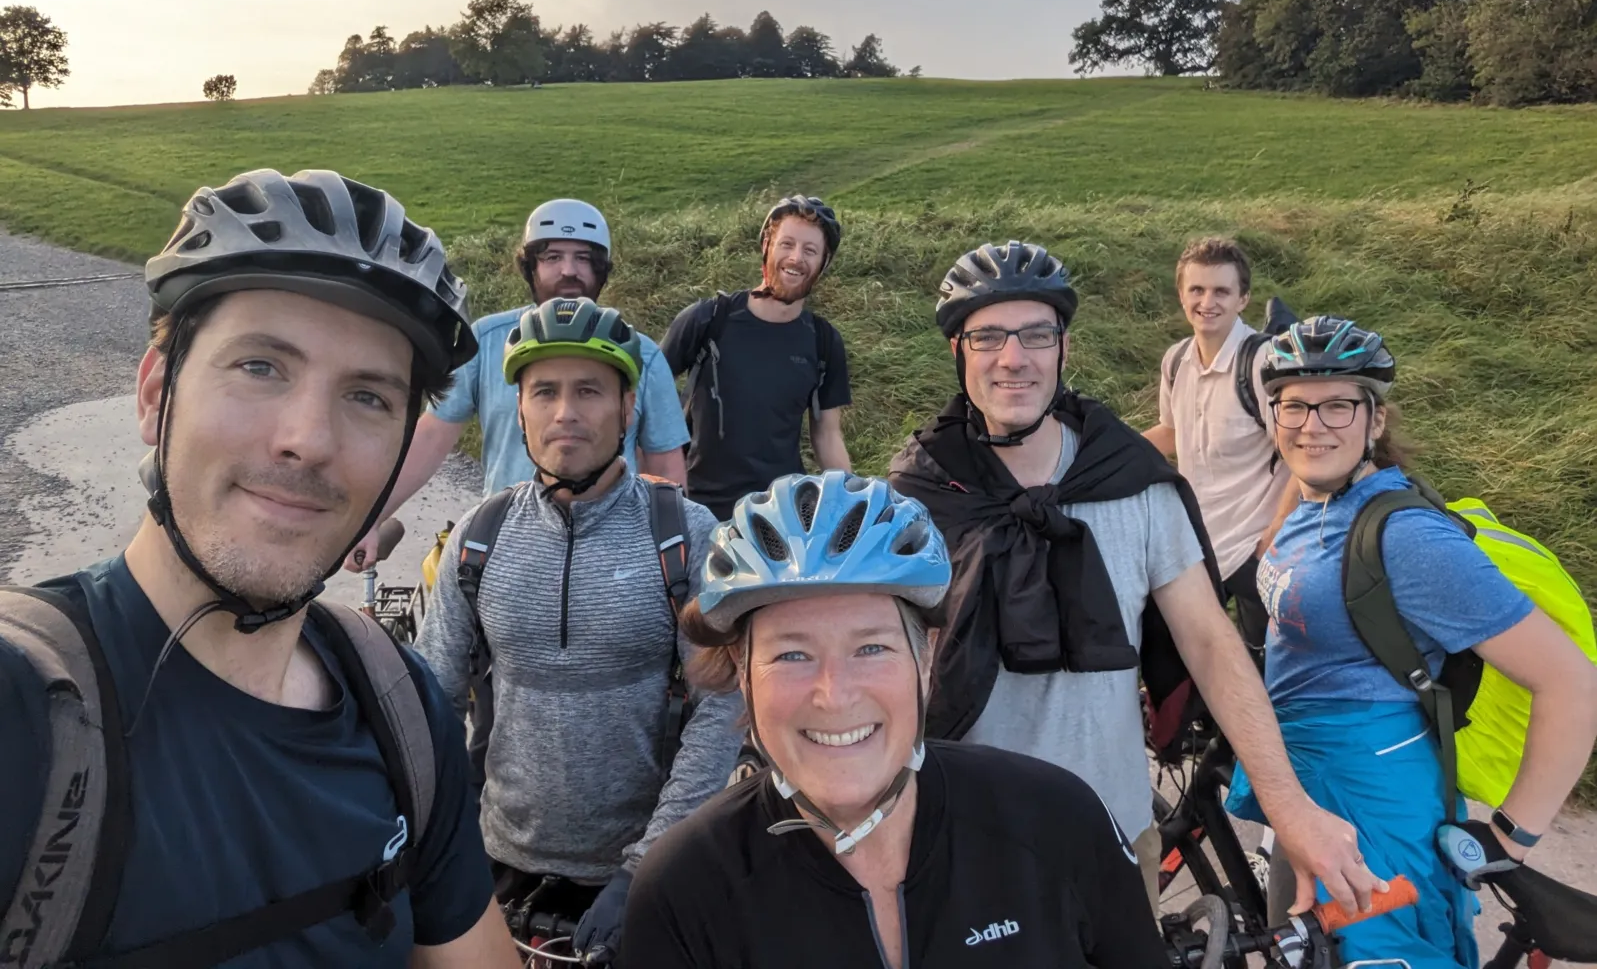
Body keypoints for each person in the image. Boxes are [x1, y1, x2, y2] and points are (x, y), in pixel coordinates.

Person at [0, 169, 517, 967]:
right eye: (260, 366)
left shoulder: (403, 712)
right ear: (153, 394)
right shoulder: (23, 709)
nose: (308, 439)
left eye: (369, 397)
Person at [887, 240, 1380, 918]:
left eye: (1036, 334)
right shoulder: (919, 497)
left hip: (1111, 829)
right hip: (963, 832)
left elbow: (1210, 644)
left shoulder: (1129, 483)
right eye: (988, 336)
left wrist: (1289, 809)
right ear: (958, 351)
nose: (1013, 358)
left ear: (1063, 347)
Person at [618, 471, 1168, 969]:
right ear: (743, 674)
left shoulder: (1056, 823)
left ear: (926, 660)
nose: (833, 695)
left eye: (871, 648)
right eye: (792, 655)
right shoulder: (684, 888)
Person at [1225, 316, 1597, 968]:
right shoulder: (1309, 503)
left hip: (1379, 811)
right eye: (1293, 405)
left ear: (1374, 420)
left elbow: (1569, 681)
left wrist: (1507, 840)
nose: (1312, 424)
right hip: (1308, 797)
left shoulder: (1408, 539)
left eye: (1338, 404)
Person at [414, 296, 743, 963]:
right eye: (545, 392)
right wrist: (443, 842)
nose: (565, 412)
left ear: (627, 408)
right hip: (497, 856)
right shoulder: (479, 538)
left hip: (644, 863)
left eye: (589, 390)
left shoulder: (683, 535)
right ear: (520, 410)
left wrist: (644, 865)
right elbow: (431, 703)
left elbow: (721, 710)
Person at [342, 197, 688, 570]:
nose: (569, 271)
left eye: (584, 258)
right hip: (506, 545)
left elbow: (665, 464)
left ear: (602, 270)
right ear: (530, 267)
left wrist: (670, 552)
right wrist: (371, 519)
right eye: (552, 257)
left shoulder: (642, 354)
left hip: (613, 556)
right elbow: (431, 438)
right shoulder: (488, 341)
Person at [1142, 237, 1293, 658]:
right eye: (1197, 290)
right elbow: (1172, 433)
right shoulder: (1176, 360)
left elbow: (1302, 452)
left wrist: (1278, 528)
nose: (1207, 302)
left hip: (1257, 545)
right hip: (1197, 542)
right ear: (1181, 295)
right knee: (1192, 659)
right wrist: (1105, 454)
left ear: (1243, 298)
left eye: (1221, 291)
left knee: (1266, 665)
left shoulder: (1263, 363)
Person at [661, 195, 852, 521]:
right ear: (766, 245)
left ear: (823, 262)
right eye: (786, 244)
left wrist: (852, 502)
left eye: (810, 250)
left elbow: (827, 434)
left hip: (782, 515)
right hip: (699, 510)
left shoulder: (823, 340)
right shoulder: (709, 319)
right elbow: (646, 396)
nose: (796, 258)